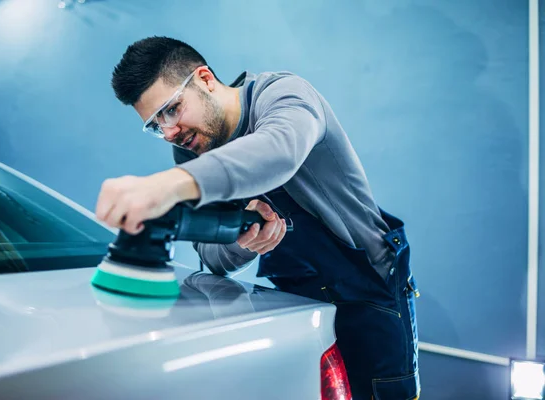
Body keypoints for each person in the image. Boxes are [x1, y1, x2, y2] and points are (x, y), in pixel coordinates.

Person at [96, 36, 420, 399]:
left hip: (369, 294)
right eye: (156, 125)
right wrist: (241, 244)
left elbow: (280, 150)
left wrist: (169, 186)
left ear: (204, 78)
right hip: (296, 300)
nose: (170, 132)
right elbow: (211, 256)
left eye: (171, 109)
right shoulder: (191, 153)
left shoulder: (282, 94)